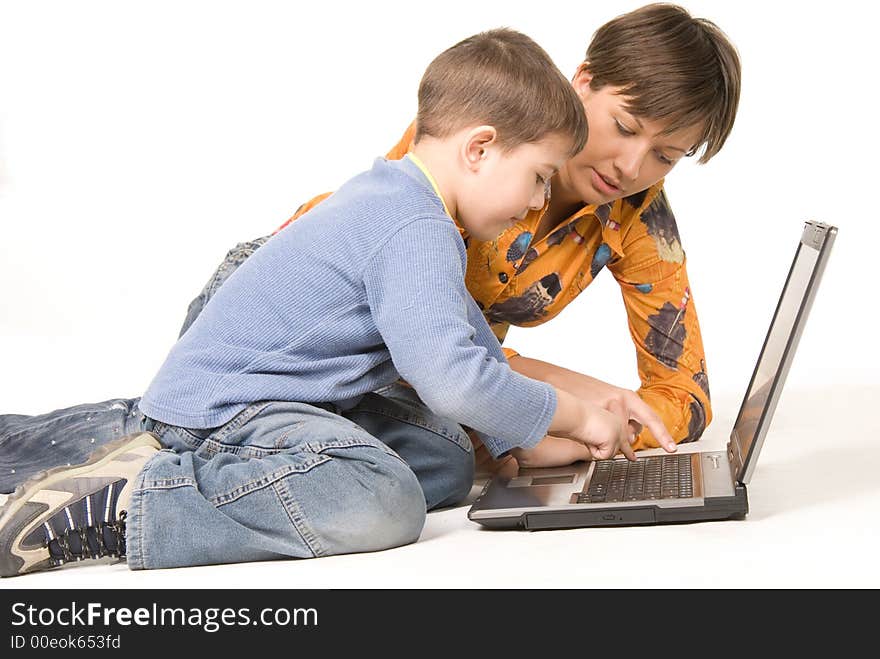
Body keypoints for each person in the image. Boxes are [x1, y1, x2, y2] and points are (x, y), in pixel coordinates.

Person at [0, 28, 676, 577]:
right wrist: (577, 411)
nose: (536, 200)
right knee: (386, 501)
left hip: (277, 398)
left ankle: (180, 469)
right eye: (535, 177)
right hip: (227, 410)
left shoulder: (406, 201)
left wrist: (524, 440)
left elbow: (467, 337)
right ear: (479, 149)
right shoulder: (414, 228)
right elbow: (453, 376)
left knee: (443, 457)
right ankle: (130, 503)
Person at [178, 2, 741, 473]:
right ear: (584, 80)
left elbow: (683, 398)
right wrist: (570, 404)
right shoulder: (482, 139)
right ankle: (133, 467)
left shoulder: (640, 221)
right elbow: (422, 337)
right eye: (624, 127)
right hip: (293, 318)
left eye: (665, 156)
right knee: (201, 435)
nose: (630, 166)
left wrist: (588, 430)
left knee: (443, 463)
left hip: (401, 366)